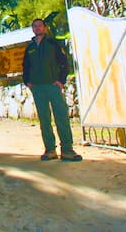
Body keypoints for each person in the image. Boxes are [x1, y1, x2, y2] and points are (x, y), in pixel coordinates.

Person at [22, 18, 82, 162]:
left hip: (53, 86)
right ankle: (50, 150)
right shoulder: (30, 47)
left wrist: (61, 81)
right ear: (32, 29)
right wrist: (28, 81)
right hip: (37, 87)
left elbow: (64, 63)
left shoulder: (53, 44)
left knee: (61, 117)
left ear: (45, 27)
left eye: (39, 26)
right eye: (34, 26)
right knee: (44, 119)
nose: (37, 28)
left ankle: (67, 149)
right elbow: (25, 66)